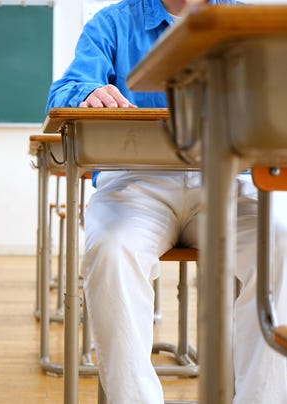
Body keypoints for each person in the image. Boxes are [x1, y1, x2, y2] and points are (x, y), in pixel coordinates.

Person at [46, 0, 287, 402]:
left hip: (228, 178)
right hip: (136, 180)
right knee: (111, 249)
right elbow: (64, 91)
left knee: (282, 240)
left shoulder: (247, 23)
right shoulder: (113, 23)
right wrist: (88, 91)